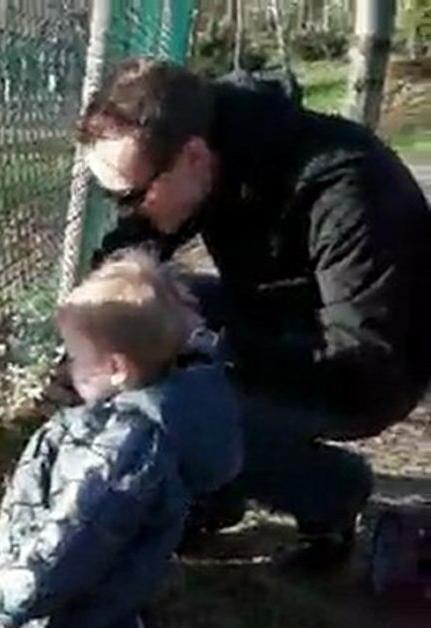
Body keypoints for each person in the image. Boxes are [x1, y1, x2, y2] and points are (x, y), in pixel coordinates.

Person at [45, 57, 431, 572]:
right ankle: (216, 491)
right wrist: (100, 319)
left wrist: (213, 347)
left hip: (370, 370)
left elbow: (364, 362)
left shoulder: (349, 193)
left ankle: (333, 491)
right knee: (149, 308)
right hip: (277, 316)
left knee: (186, 404)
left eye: (132, 196)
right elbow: (140, 242)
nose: (125, 211)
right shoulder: (204, 143)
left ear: (194, 157)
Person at [0, 250, 243, 628]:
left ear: (117, 369)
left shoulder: (118, 449)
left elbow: (68, 544)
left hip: (76, 602)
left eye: (77, 358)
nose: (67, 368)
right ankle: (132, 610)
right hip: (130, 561)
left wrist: (2, 594)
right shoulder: (186, 395)